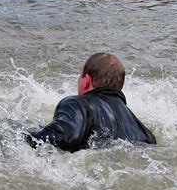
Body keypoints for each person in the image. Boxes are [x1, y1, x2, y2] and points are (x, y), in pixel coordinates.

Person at [26, 52, 156, 152]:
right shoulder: (144, 132)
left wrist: (22, 137)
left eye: (80, 76)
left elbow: (66, 136)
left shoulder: (78, 104)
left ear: (86, 80)